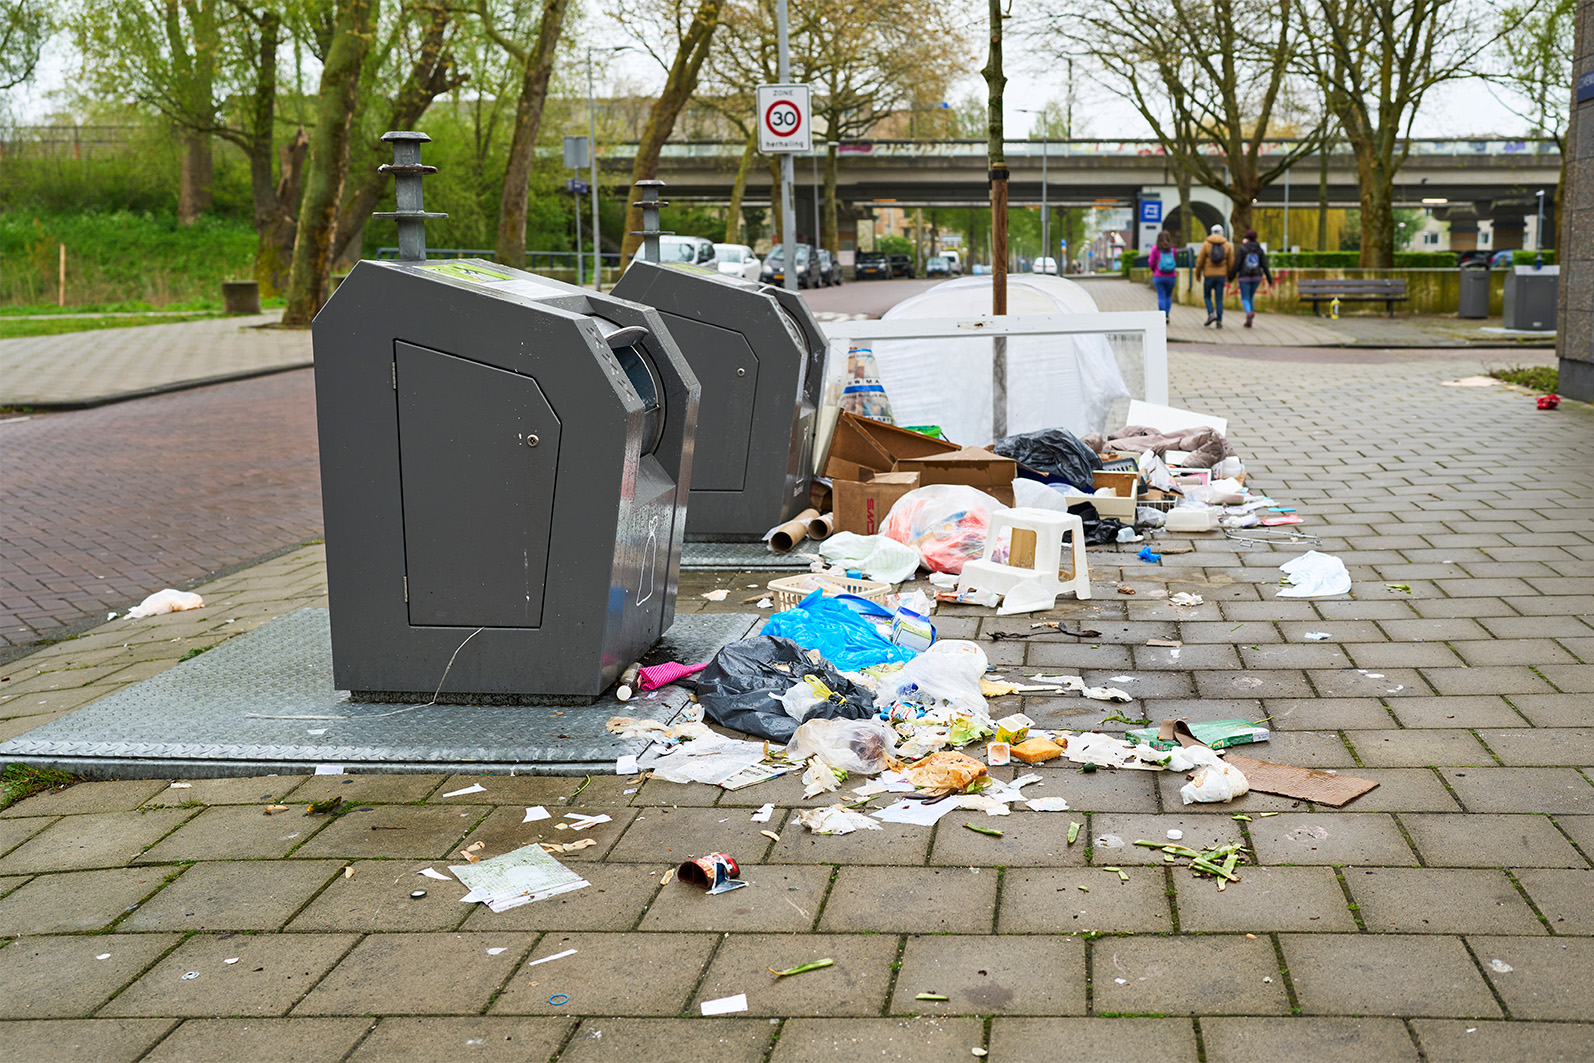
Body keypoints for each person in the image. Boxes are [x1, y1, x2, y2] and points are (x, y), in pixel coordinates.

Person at [1229, 228, 1273, 328]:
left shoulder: (1242, 248)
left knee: (1245, 298)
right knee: (1250, 296)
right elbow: (1264, 265)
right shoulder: (1259, 249)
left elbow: (1237, 264)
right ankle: (1249, 319)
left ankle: (1249, 313)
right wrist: (1270, 279)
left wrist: (1231, 277)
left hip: (1244, 277)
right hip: (1257, 277)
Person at [1195, 223, 1232, 327]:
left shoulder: (1206, 244)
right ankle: (1219, 321)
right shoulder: (1227, 245)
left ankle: (1211, 313)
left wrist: (1198, 274)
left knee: (1207, 296)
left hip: (1208, 275)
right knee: (1219, 299)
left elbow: (1200, 261)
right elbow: (1231, 262)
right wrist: (1229, 276)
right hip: (1221, 276)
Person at [1149, 230, 1179, 323]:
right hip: (1171, 276)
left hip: (1159, 276)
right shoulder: (1173, 249)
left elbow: (1151, 261)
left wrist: (1155, 270)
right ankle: (1166, 315)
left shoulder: (1155, 248)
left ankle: (1161, 316)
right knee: (1168, 296)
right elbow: (1175, 259)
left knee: (1161, 296)